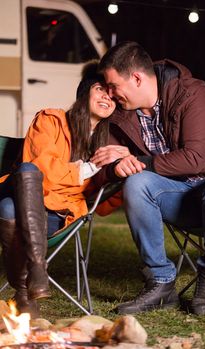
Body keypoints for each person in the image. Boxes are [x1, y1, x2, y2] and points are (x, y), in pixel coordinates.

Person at [91, 41, 205, 316]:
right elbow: (104, 163)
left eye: (112, 85)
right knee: (137, 183)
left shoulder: (191, 92)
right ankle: (160, 281)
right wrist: (117, 167)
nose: (109, 93)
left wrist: (139, 162)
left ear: (136, 78)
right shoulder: (120, 114)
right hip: (182, 199)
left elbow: (195, 159)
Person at [0, 61, 127, 318]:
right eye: (101, 89)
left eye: (112, 96)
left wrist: (119, 167)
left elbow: (102, 205)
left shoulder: (108, 143)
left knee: (7, 209)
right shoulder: (50, 120)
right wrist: (85, 171)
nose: (107, 97)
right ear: (85, 92)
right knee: (27, 173)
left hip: (55, 215)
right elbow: (41, 173)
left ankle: (23, 293)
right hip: (21, 191)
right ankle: (38, 268)